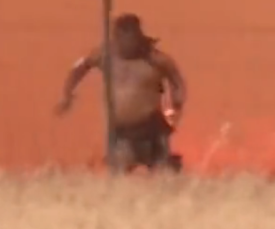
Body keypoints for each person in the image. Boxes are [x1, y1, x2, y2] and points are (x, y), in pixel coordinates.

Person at [55, 13, 187, 172]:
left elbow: (176, 79)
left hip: (151, 127)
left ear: (138, 36)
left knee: (163, 172)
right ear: (116, 37)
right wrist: (67, 94)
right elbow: (79, 68)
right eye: (122, 37)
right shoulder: (105, 55)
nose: (127, 43)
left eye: (131, 38)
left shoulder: (155, 58)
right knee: (119, 169)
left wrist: (177, 101)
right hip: (122, 130)